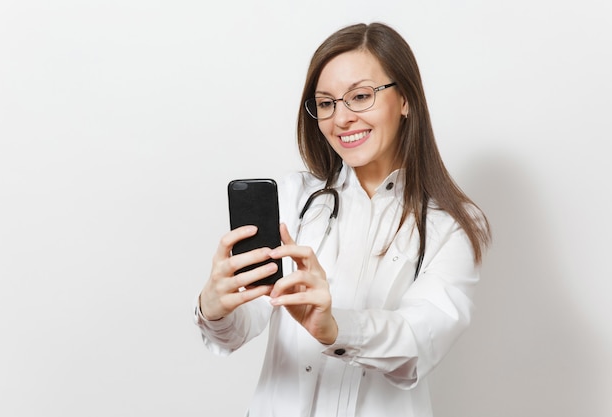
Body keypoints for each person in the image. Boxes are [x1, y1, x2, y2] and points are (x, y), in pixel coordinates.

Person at [194, 22, 491, 417]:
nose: (341, 119)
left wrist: (335, 329)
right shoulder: (296, 198)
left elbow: (421, 342)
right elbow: (237, 329)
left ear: (405, 99)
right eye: (326, 103)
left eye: (361, 96)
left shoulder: (451, 223)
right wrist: (214, 309)